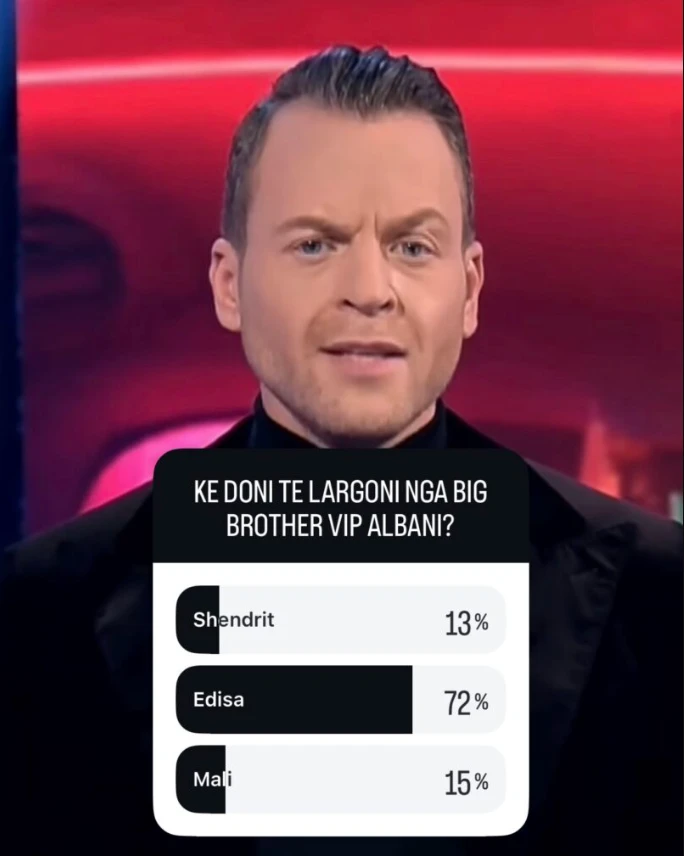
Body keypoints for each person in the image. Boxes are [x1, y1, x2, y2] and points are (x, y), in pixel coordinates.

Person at [1, 45, 681, 856]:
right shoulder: (36, 616)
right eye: (315, 245)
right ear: (229, 285)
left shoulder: (659, 599)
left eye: (412, 246)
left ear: (469, 290)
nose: (369, 289)